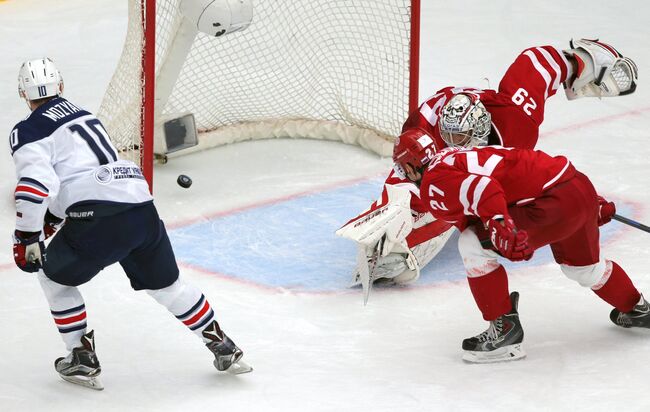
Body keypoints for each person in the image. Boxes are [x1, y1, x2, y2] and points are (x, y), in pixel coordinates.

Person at [10, 58, 251, 390]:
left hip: (97, 218)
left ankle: (81, 357)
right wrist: (54, 217)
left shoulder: (30, 129)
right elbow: (85, 173)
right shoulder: (86, 116)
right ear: (61, 87)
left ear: (23, 94)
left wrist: (27, 237)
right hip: (140, 206)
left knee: (54, 279)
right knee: (168, 287)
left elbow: (34, 188)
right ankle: (222, 344)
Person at [337, 38, 638, 287]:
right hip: (432, 145)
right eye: (449, 140)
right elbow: (404, 180)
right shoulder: (424, 130)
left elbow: (536, 65)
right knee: (426, 197)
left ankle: (402, 245)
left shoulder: (515, 122)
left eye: (464, 142)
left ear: (483, 133)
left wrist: (579, 62)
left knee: (455, 200)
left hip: (479, 149)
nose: (455, 149)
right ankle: (393, 246)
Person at [389, 137, 649, 363]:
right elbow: (521, 171)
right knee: (584, 269)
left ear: (411, 166)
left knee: (471, 245)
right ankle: (637, 308)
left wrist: (500, 223)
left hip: (551, 203)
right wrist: (589, 203)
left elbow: (483, 190)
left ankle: (505, 332)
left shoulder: (434, 182)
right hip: (575, 182)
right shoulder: (453, 155)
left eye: (402, 167)